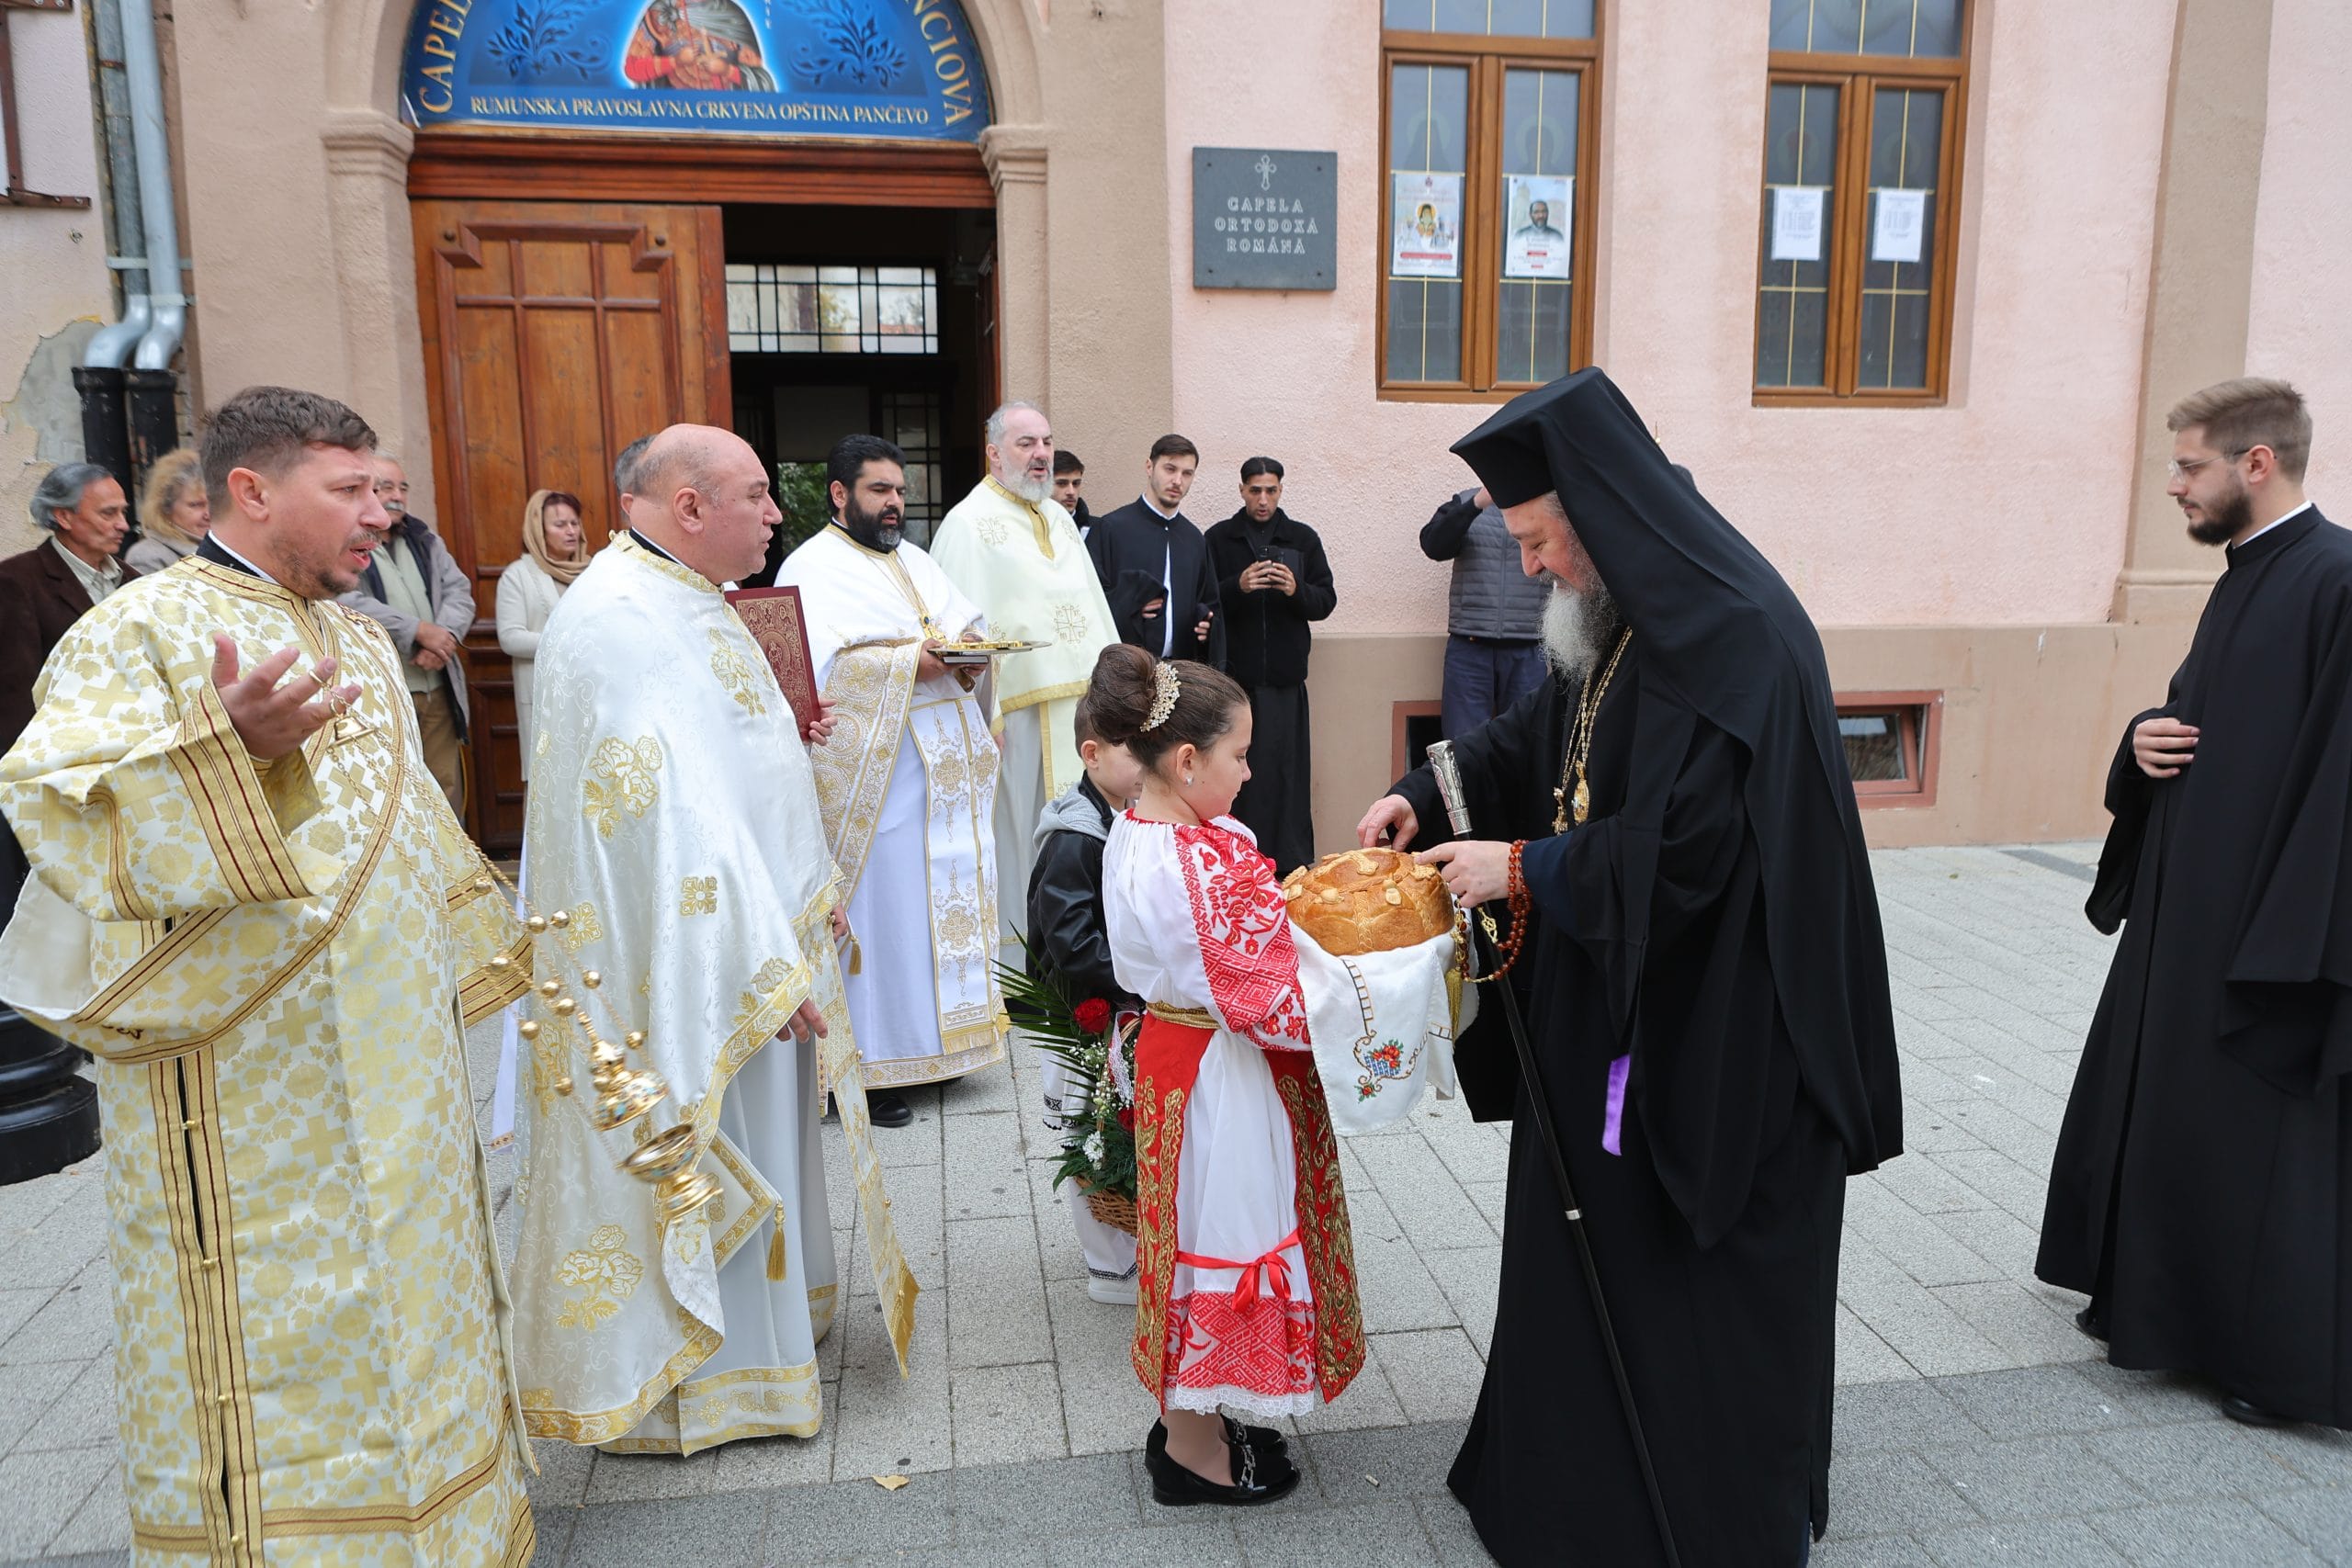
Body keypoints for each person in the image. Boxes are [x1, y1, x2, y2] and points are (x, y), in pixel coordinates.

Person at [1358, 367, 1902, 1565]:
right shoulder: (1622, 615)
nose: (1536, 566)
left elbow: (1701, 848)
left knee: (1681, 1277)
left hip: (1720, 1039)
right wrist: (1422, 790)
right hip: (1614, 1005)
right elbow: (1540, 733)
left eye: (1543, 539)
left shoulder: (1737, 634)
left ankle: (1688, 1513)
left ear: (1601, 514)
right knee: (1587, 1233)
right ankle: (1568, 1477)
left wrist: (1527, 871)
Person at [0, 386, 537, 1562]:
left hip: (401, 1067)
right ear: (252, 489)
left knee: (422, 1299)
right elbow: (55, 809)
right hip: (245, 1090)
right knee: (281, 1336)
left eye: (380, 493)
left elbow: (402, 825)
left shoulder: (353, 633)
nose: (378, 521)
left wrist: (502, 954)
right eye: (348, 493)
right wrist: (225, 756)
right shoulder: (138, 630)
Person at [513, 423, 915, 1453]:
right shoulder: (618, 619)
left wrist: (803, 882)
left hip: (751, 941)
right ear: (689, 507)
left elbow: (733, 765)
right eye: (755, 495)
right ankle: (712, 1378)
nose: (776, 512)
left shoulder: (681, 596)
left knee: (773, 1143)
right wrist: (760, 966)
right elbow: (667, 825)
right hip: (690, 973)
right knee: (722, 1139)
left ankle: (771, 1339)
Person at [2039, 376, 2351, 1431]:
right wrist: (2141, 738)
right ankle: (2162, 1314)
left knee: (2262, 1147)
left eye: (2188, 466)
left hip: (2270, 933)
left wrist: (2289, 941)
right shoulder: (2245, 575)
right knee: (2173, 1113)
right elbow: (2195, 718)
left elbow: (2336, 786)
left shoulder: (2338, 580)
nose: (2172, 487)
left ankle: (2269, 1362)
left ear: (2255, 464)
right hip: (2191, 910)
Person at [1094, 644, 1357, 1506]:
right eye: (1240, 755)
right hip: (1221, 1072)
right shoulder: (1200, 861)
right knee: (1226, 1230)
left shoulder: (1143, 827)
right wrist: (1371, 984)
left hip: (1181, 1055)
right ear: (1186, 760)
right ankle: (1189, 1449)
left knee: (1185, 1232)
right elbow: (1271, 998)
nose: (1251, 771)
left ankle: (1193, 1413)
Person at [778, 434, 1008, 1128]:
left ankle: (939, 1045)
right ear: (841, 494)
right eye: (880, 491)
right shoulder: (810, 567)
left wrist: (970, 651)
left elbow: (960, 622)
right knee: (883, 915)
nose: (895, 505)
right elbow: (813, 677)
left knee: (932, 909)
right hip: (875, 792)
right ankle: (871, 1066)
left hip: (939, 783)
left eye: (900, 492)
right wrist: (911, 662)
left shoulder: (912, 557)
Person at [931, 400, 1121, 947]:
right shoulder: (967, 524)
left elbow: (1094, 609)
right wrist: (980, 714)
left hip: (1084, 715)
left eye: (1046, 442)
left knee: (1092, 836)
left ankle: (1087, 958)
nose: (1040, 455)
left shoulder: (1058, 516)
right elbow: (956, 630)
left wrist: (1118, 692)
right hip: (1016, 718)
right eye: (1025, 444)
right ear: (994, 452)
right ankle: (1027, 972)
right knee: (1024, 841)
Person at [1025, 695, 1145, 1305]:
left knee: (1108, 1125)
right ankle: (1108, 1268)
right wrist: (1134, 982)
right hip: (1078, 1011)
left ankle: (1124, 1250)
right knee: (1085, 1132)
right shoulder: (1077, 836)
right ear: (1091, 755)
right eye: (1132, 749)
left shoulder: (1118, 812)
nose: (1145, 759)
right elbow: (1072, 940)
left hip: (1104, 1004)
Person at [0, 462, 134, 911]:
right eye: (108, 513)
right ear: (64, 517)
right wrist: (37, 780)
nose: (123, 525)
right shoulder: (17, 581)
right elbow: (15, 693)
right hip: (57, 776)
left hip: (126, 767)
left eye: (123, 512)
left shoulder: (134, 583)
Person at [1204, 457, 1336, 875]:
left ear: (1281, 490)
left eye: (1271, 490)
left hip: (1284, 682)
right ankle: (1233, 859)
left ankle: (1288, 865)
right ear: (1242, 490)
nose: (1263, 499)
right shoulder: (1219, 539)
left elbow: (1326, 602)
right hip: (1234, 682)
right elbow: (1204, 600)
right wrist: (1237, 587)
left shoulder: (1302, 538)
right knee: (1237, 777)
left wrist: (1297, 590)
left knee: (1285, 778)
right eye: (1255, 490)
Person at [337, 453, 475, 815]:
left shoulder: (425, 540)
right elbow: (345, 602)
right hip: (386, 689)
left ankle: (451, 872)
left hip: (437, 687)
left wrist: (442, 638)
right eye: (384, 487)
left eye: (402, 487)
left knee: (445, 789)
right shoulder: (346, 541)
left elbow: (459, 591)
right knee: (394, 792)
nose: (396, 496)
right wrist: (417, 631)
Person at [1422, 484, 1550, 739]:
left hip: (1527, 648)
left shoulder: (1548, 506)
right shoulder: (1467, 501)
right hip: (1469, 648)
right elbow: (1433, 545)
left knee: (1523, 741)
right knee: (1462, 744)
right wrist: (1475, 505)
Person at [1088, 434, 1226, 668]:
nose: (1177, 481)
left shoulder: (1194, 539)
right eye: (1170, 469)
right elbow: (1089, 598)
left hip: (1181, 670)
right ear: (1149, 467)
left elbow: (1210, 601)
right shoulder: (1112, 528)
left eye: (1187, 473)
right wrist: (1130, 603)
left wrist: (1205, 626)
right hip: (1125, 671)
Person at [495, 487, 588, 779]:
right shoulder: (518, 576)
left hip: (590, 692)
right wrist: (570, 641)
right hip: (546, 698)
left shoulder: (595, 572)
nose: (571, 531)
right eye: (560, 525)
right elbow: (510, 638)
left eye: (574, 523)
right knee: (549, 783)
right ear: (538, 529)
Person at [125, 446, 211, 573]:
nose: (208, 514)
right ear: (166, 508)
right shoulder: (148, 557)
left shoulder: (227, 548)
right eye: (195, 505)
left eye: (213, 503)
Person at [1053, 447, 1094, 539]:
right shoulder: (1029, 529)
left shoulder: (1099, 531)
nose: (1071, 492)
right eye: (1062, 483)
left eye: (1076, 483)